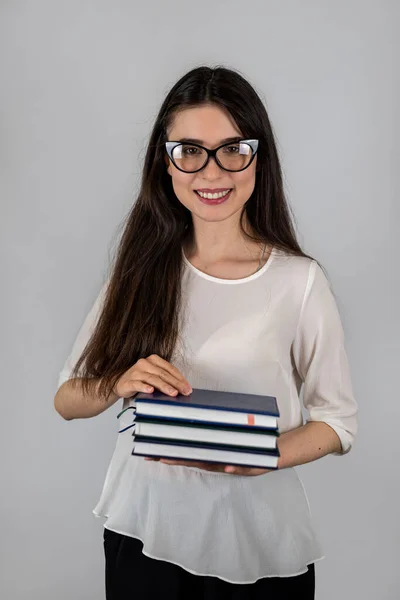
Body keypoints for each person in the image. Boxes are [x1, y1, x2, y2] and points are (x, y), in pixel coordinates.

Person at [54, 65, 358, 599]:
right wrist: (117, 383)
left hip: (260, 545)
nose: (211, 172)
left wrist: (258, 455)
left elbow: (338, 423)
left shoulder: (298, 281)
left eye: (232, 149)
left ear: (257, 157)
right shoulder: (138, 271)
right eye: (189, 150)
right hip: (144, 536)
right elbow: (67, 399)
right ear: (165, 163)